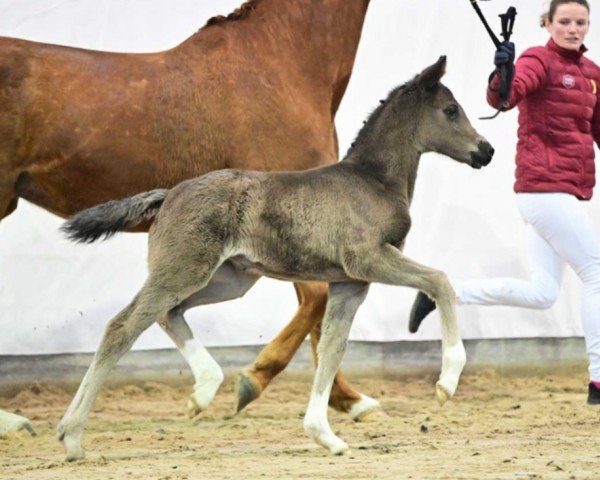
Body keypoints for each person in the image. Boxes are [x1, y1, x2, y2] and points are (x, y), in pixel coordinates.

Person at [409, 0, 600, 405]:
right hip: (543, 190)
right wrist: (502, 72)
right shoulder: (538, 61)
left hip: (565, 193)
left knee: (542, 293)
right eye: (564, 21)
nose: (573, 29)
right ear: (547, 23)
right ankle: (599, 380)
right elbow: (504, 98)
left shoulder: (591, 75)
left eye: (580, 22)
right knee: (596, 272)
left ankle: (443, 292)